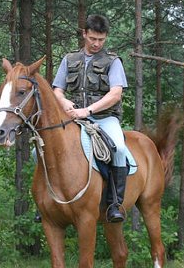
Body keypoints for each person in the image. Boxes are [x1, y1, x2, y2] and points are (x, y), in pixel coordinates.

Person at [52, 14, 128, 223]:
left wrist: (89, 110)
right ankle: (47, 202)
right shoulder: (69, 59)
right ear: (84, 33)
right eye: (92, 38)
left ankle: (114, 204)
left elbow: (115, 94)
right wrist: (65, 103)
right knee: (37, 151)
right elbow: (57, 90)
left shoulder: (112, 61)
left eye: (101, 40)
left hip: (105, 118)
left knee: (119, 149)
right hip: (74, 118)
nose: (96, 44)